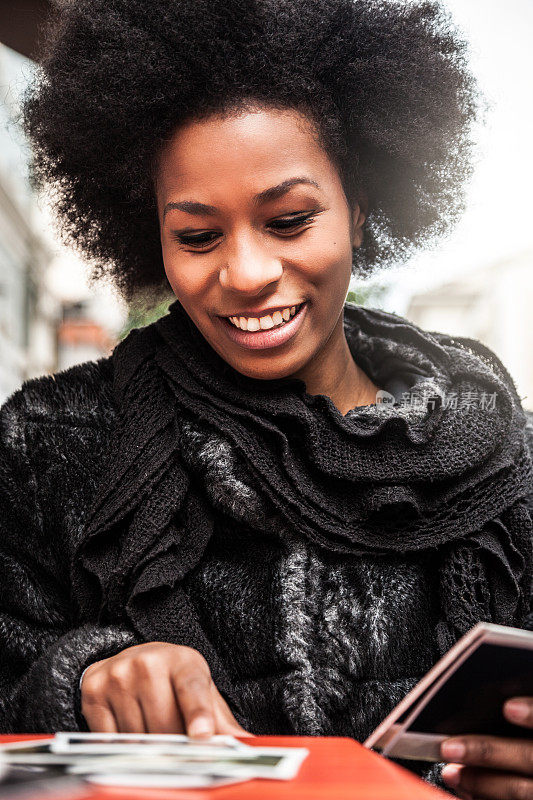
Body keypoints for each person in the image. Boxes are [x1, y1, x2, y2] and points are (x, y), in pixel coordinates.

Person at [1, 0, 532, 796]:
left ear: (357, 210)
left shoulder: (503, 461)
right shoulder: (49, 448)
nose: (246, 272)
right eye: (198, 235)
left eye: (287, 220)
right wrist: (79, 679)